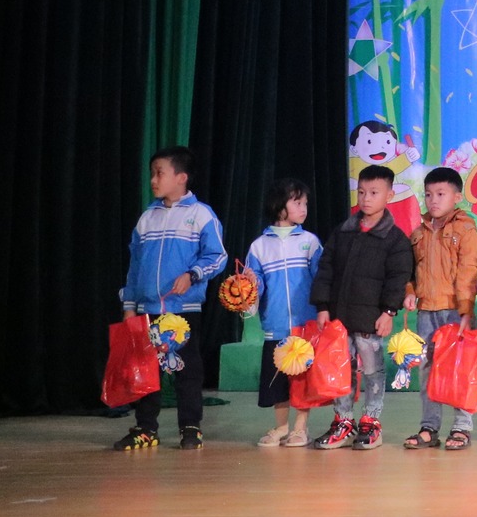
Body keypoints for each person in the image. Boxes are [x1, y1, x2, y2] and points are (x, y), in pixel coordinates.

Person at [114, 146, 228, 451]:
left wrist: (193, 274)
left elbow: (217, 256)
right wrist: (129, 305)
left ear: (181, 177)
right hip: (147, 309)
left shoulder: (200, 214)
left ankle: (190, 427)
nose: (153, 180)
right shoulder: (147, 218)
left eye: (159, 173)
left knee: (186, 370)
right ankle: (145, 428)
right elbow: (135, 265)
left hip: (183, 310)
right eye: (152, 173)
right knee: (145, 370)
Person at [310, 164, 417, 451]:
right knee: (340, 369)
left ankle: (371, 421)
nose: (366, 198)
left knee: (372, 371)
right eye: (361, 192)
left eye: (374, 192)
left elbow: (398, 278)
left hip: (371, 319)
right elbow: (326, 268)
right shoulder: (343, 232)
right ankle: (343, 421)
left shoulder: (395, 239)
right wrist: (323, 306)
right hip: (339, 318)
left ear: (389, 195)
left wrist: (389, 312)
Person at [404, 166, 477, 451]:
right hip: (426, 311)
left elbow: (468, 271)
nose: (433, 200)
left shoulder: (465, 229)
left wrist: (465, 311)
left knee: (460, 368)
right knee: (427, 370)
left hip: (454, 311)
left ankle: (461, 427)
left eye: (440, 194)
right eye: (428, 195)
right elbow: (410, 271)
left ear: (457, 197)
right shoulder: (418, 232)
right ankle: (429, 427)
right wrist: (410, 292)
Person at [246, 177, 321, 448]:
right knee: (277, 381)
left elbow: (321, 279)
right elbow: (253, 285)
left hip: (304, 325)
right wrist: (248, 289)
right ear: (279, 206)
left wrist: (323, 310)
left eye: (305, 204)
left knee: (301, 380)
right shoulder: (259, 246)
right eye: (297, 203)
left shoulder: (310, 242)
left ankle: (300, 428)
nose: (304, 209)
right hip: (275, 326)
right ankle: (281, 427)